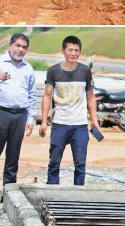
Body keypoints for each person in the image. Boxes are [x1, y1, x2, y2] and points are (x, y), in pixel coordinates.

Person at [39, 36, 98, 186]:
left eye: (76, 50)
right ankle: (52, 191)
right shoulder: (53, 71)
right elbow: (47, 95)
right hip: (60, 123)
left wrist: (94, 121)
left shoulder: (85, 71)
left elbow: (90, 97)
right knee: (54, 162)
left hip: (80, 125)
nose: (73, 53)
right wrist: (44, 121)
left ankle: (78, 194)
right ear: (63, 51)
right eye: (70, 50)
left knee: (80, 164)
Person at [0, 33, 36, 199]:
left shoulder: (28, 68)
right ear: (10, 45)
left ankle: (8, 194)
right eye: (18, 45)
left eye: (24, 47)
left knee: (13, 156)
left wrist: (30, 118)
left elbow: (32, 95)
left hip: (19, 115)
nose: (20, 50)